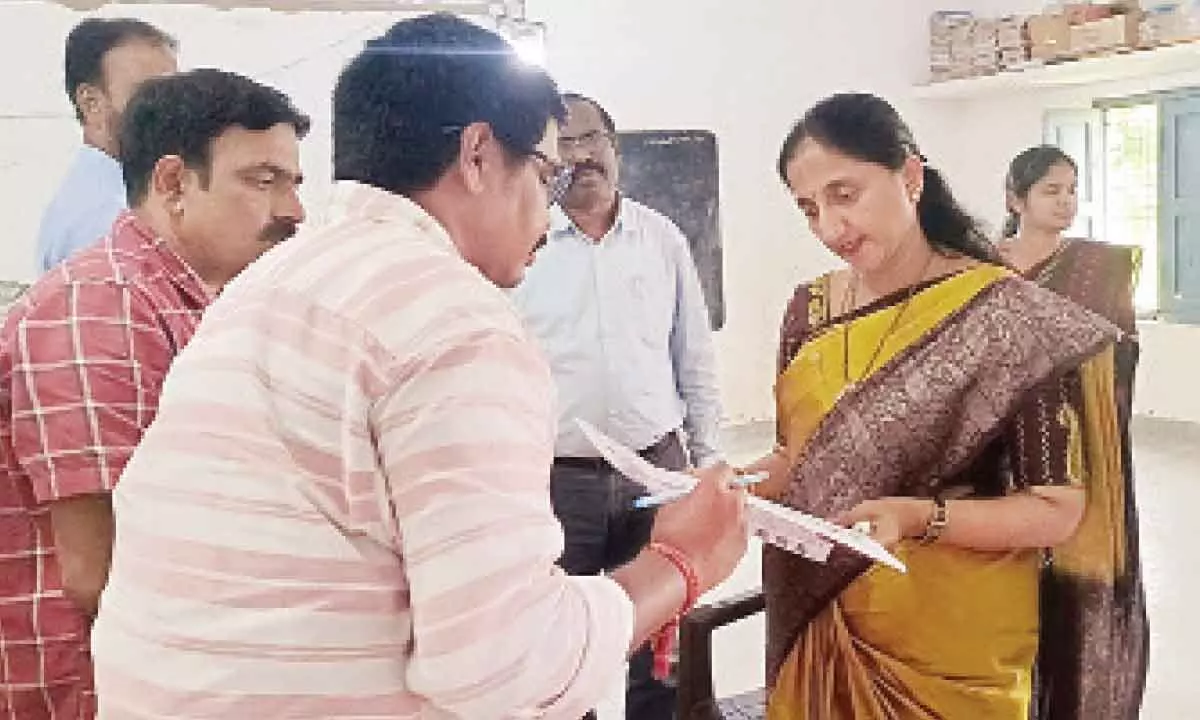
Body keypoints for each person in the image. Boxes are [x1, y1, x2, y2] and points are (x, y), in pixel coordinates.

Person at [89, 14, 747, 720]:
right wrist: (681, 562)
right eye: (545, 173)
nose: (547, 212)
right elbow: (502, 668)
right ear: (477, 156)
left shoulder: (270, 282)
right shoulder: (452, 317)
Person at [738, 93, 1129, 719]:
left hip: (953, 651)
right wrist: (734, 483)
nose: (829, 228)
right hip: (825, 624)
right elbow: (795, 456)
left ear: (911, 177)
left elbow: (1057, 510)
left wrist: (919, 517)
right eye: (808, 209)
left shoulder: (1005, 318)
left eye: (846, 195)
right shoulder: (807, 312)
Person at [0, 68, 308, 720]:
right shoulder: (103, 303)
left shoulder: (189, 303)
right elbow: (98, 570)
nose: (293, 211)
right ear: (173, 183)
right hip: (90, 685)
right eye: (263, 181)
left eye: (293, 183)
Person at [510, 92, 722, 719]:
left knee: (660, 640)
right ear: (544, 160)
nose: (581, 157)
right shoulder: (526, 245)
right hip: (556, 480)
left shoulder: (661, 238)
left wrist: (706, 463)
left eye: (592, 140)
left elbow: (694, 356)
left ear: (615, 147)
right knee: (558, 650)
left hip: (654, 474)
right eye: (564, 145)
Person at [1002, 144, 1149, 719]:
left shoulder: (1099, 266)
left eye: (1072, 189)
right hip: (1003, 437)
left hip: (1084, 439)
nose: (1066, 202)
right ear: (1017, 198)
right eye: (1051, 191)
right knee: (1010, 565)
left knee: (1074, 565)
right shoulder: (983, 266)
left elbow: (1124, 351)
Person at [37, 18, 178, 273]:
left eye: (173, 92)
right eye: (148, 93)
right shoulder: (105, 219)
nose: (168, 108)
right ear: (91, 102)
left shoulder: (125, 196)